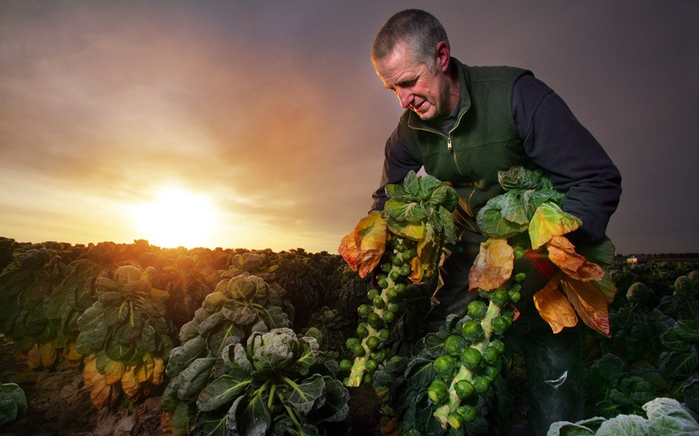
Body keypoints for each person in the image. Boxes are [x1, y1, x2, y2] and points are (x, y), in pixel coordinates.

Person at [368, 9, 622, 436]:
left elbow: (596, 180)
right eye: (391, 88)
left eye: (409, 82)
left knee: (552, 363)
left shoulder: (515, 95)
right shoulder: (409, 128)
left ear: (442, 56)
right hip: (471, 248)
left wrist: (546, 259)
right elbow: (386, 198)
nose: (403, 100)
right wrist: (379, 240)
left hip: (537, 248)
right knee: (442, 345)